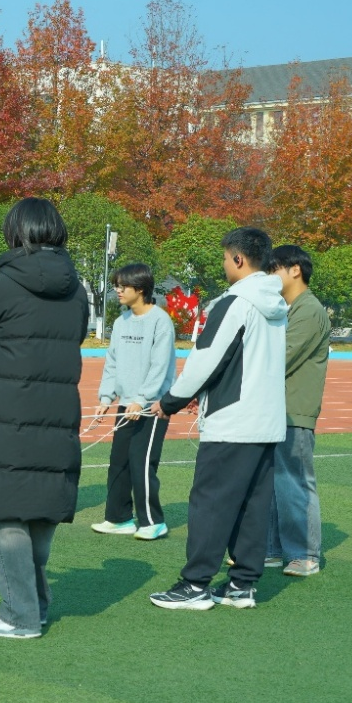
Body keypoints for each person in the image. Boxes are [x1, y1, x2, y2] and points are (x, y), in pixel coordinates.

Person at [0, 198, 90, 640]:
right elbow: (74, 335)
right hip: (58, 411)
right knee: (41, 504)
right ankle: (37, 606)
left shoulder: (2, 282)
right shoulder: (77, 289)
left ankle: (19, 615)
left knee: (5, 509)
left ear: (16, 231)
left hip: (9, 412)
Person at [149, 227, 287, 610]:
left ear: (239, 259)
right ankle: (242, 585)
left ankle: (195, 585)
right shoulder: (276, 304)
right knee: (252, 505)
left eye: (226, 258)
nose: (224, 264)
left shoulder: (235, 302)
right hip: (266, 420)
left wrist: (172, 400)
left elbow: (207, 359)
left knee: (211, 502)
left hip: (233, 421)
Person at [93, 263, 177, 541]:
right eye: (117, 285)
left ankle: (153, 521)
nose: (118, 290)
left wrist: (141, 400)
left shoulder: (160, 321)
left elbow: (160, 366)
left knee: (142, 462)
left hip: (152, 407)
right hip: (126, 405)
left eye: (123, 286)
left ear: (140, 289)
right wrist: (106, 398)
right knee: (119, 462)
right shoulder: (121, 322)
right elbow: (112, 362)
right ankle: (119, 518)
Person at [265, 245, 330, 577]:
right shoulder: (284, 308)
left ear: (295, 270)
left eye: (274, 269)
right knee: (271, 483)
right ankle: (273, 549)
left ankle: (304, 553)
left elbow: (281, 357)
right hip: (273, 409)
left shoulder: (309, 310)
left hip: (294, 411)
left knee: (294, 482)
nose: (269, 276)